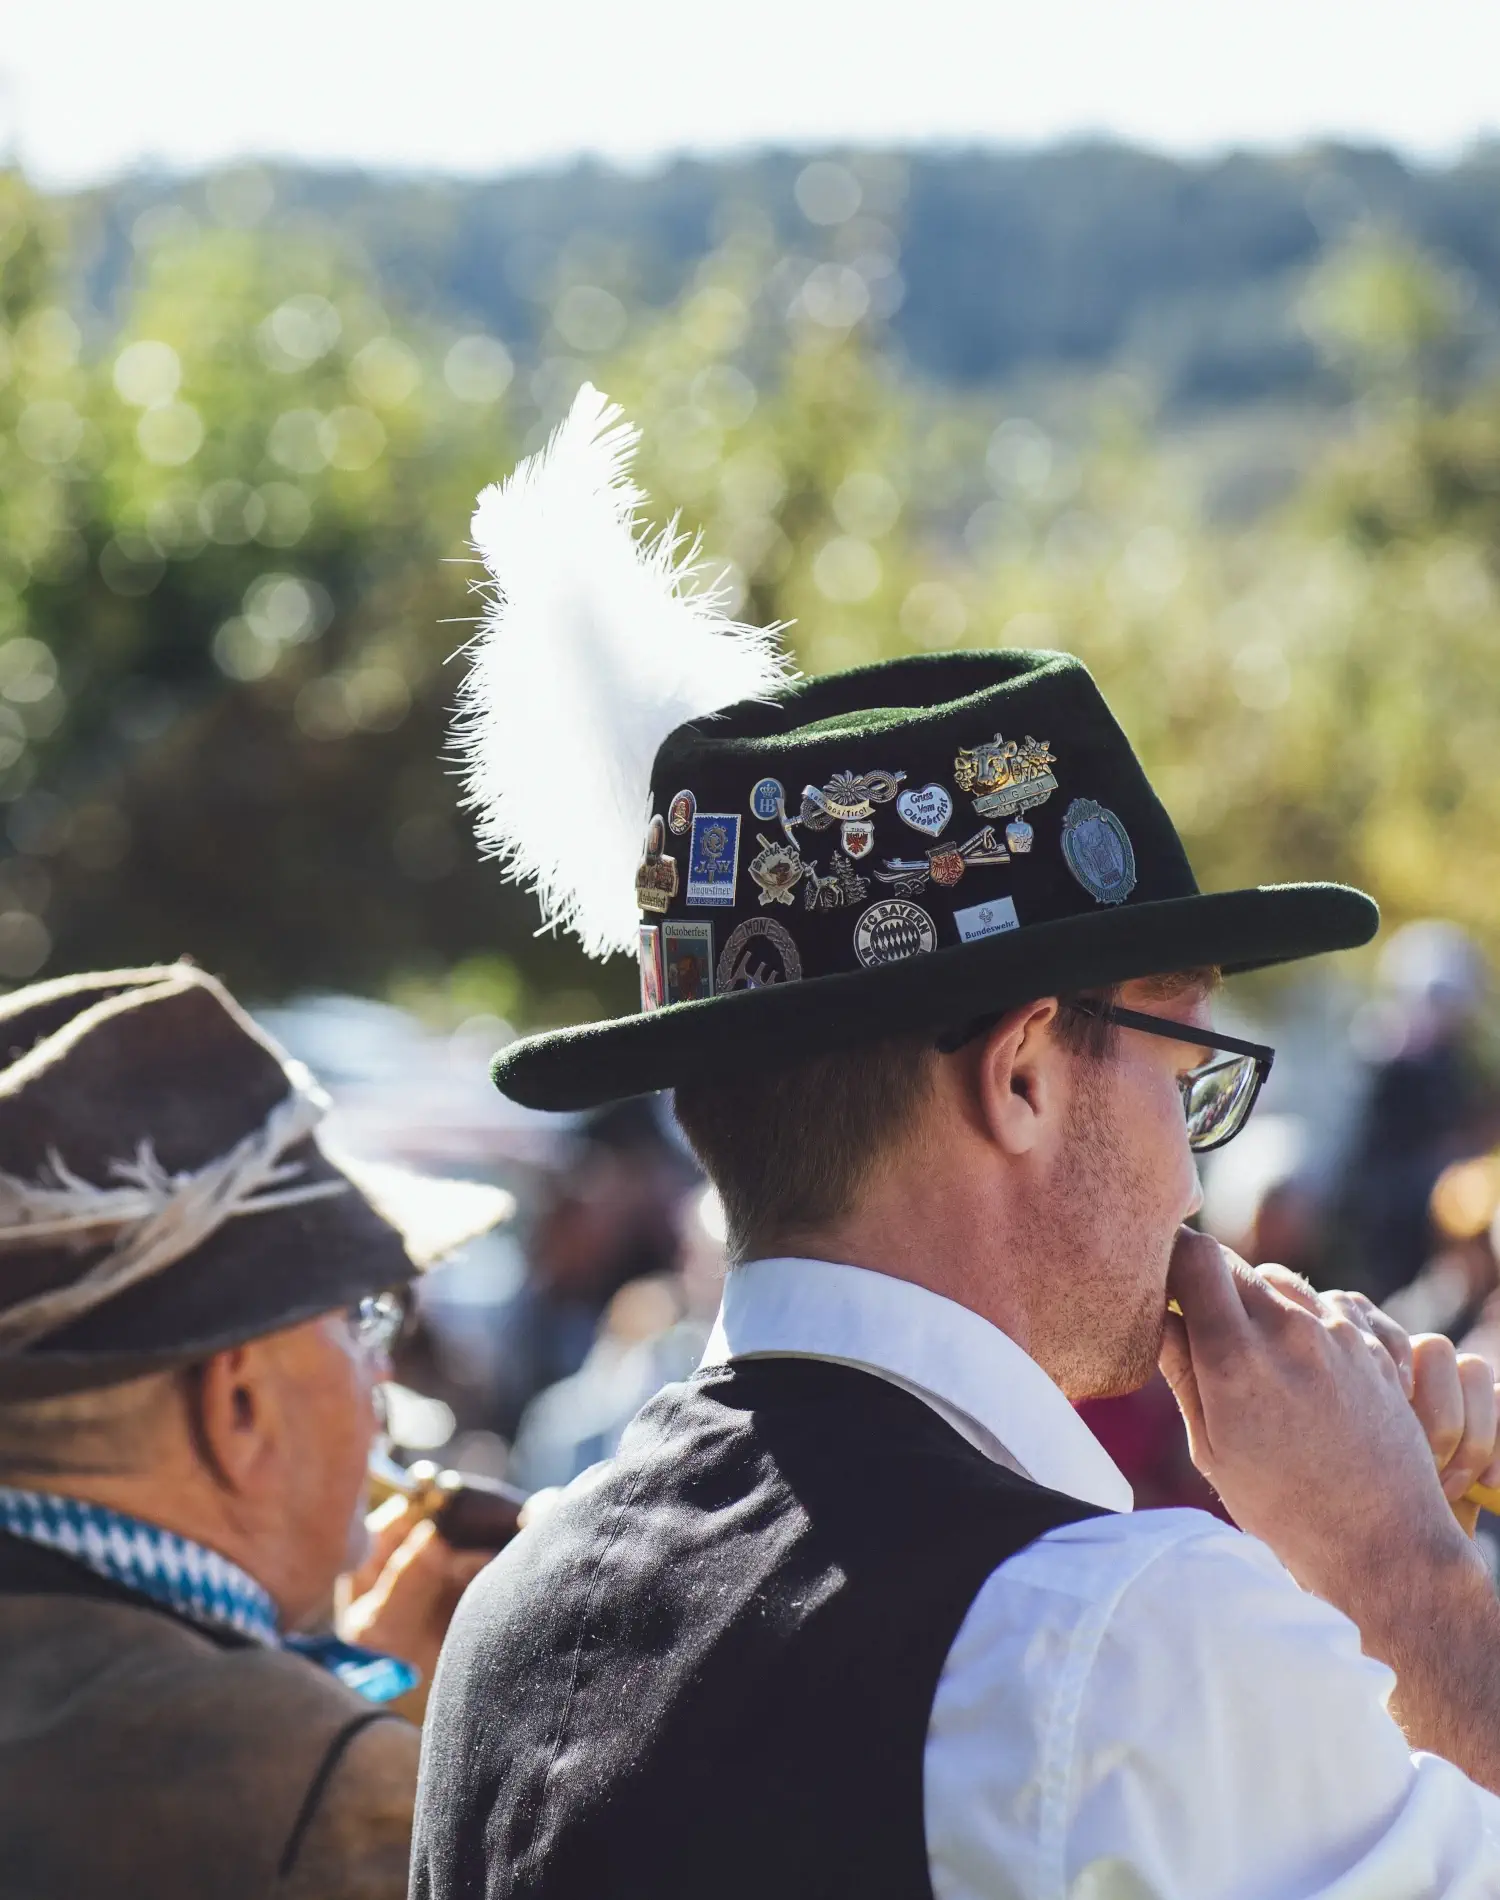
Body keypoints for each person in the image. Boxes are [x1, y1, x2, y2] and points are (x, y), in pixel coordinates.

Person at [413, 386, 1500, 1895]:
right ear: (1025, 1078)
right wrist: (1398, 1566)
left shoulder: (514, 1604)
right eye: (1185, 1067)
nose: (1199, 1176)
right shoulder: (1115, 1637)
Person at [0, 964, 504, 1900]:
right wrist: (392, 1760)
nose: (381, 1373)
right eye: (361, 1319)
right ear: (239, 1405)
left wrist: (352, 1695)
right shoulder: (324, 1793)